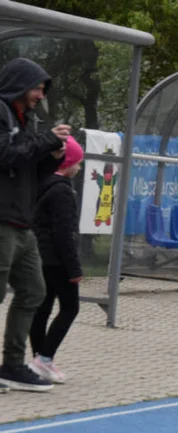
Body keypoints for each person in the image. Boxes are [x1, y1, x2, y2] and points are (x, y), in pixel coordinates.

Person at [0, 58, 68, 392]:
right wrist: (45, 142)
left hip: (20, 223)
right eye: (37, 87)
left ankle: (11, 365)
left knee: (34, 290)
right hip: (1, 221)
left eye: (43, 89)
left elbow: (27, 172)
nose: (40, 95)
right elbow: (4, 155)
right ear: (20, 83)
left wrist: (49, 158)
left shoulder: (24, 121)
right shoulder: (1, 113)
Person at [28, 136, 83, 384]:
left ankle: (39, 358)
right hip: (58, 259)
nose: (79, 168)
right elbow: (64, 233)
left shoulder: (44, 185)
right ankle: (45, 358)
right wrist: (74, 267)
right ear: (68, 162)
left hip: (41, 255)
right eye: (77, 162)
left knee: (43, 308)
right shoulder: (62, 192)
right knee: (70, 307)